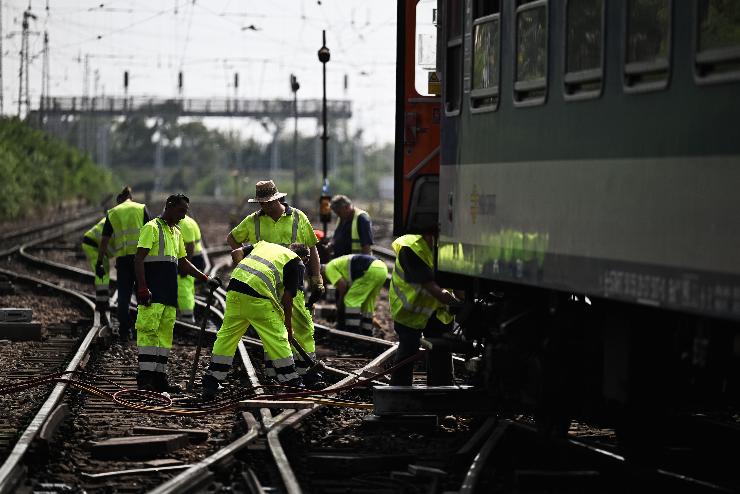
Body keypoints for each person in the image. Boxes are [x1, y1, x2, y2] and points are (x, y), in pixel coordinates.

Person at [226, 180, 325, 387]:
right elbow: (233, 238)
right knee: (274, 327)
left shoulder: (298, 217)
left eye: (269, 202)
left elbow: (312, 249)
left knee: (303, 325)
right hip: (267, 284)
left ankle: (307, 371)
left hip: (292, 279)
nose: (265, 207)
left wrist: (316, 279)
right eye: (262, 203)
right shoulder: (253, 221)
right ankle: (278, 372)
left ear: (279, 198)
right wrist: (246, 263)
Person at [134, 194, 220, 393]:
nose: (183, 215)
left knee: (164, 336)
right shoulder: (151, 228)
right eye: (181, 210)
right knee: (148, 332)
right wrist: (142, 287)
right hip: (153, 291)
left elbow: (183, 262)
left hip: (169, 293)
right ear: (169, 206)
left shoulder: (176, 232)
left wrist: (206, 278)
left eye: (185, 211)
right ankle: (145, 378)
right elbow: (138, 259)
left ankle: (159, 378)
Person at [202, 241, 310, 399]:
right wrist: (288, 326)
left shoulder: (265, 245)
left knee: (226, 337)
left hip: (235, 290)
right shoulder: (296, 262)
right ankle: (291, 382)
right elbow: (288, 298)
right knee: (277, 338)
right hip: (258, 298)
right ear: (306, 258)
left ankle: (211, 380)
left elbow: (235, 253)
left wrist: (248, 277)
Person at [389, 230, 462, 386]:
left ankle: (441, 393)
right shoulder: (410, 248)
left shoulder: (450, 248)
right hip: (410, 310)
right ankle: (399, 394)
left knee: (441, 350)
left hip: (439, 311)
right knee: (409, 349)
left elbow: (458, 283)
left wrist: (466, 301)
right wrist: (460, 306)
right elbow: (432, 287)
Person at [96, 187, 150, 341]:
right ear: (131, 197)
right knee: (143, 294)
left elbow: (104, 240)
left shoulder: (113, 212)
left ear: (119, 200)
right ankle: (141, 330)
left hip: (123, 261)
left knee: (123, 298)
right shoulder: (141, 208)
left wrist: (100, 262)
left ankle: (126, 330)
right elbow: (153, 232)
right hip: (142, 259)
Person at [323, 254, 388, 336]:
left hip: (370, 269)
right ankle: (367, 332)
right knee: (367, 304)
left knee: (350, 300)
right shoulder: (336, 263)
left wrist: (341, 302)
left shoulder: (328, 268)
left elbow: (342, 286)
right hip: (382, 269)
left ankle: (353, 332)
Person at [177, 214, 206, 323]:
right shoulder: (188, 221)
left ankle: (187, 316)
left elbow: (190, 245)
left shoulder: (185, 224)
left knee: (183, 285)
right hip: (194, 258)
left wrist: (185, 264)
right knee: (188, 286)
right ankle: (187, 311)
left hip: (191, 258)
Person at [81, 217, 113, 312]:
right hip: (93, 244)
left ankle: (102, 302)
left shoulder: (117, 218)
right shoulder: (120, 224)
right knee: (102, 273)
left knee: (103, 272)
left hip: (94, 243)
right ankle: (101, 304)